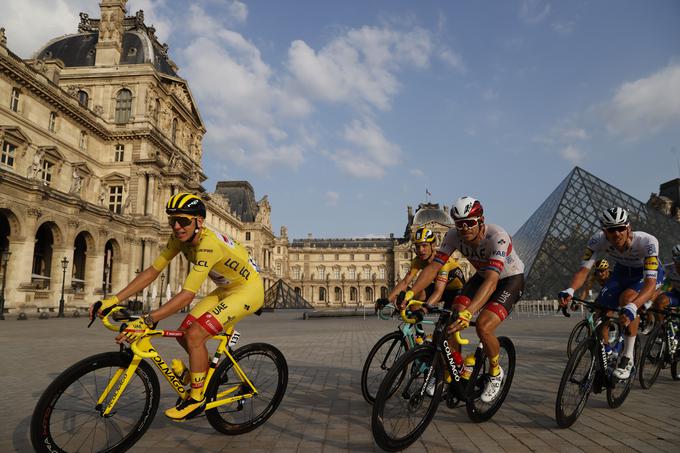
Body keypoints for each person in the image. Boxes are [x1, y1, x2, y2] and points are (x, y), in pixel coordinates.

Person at [90, 193, 264, 421]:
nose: (177, 227)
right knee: (184, 334)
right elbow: (153, 271)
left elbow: (186, 296)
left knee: (194, 335)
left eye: (183, 221)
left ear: (198, 222)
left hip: (247, 291)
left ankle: (197, 398)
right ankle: (204, 375)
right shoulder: (178, 239)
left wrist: (148, 319)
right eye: (173, 221)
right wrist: (113, 300)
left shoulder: (208, 245)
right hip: (225, 289)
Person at [402, 197, 524, 403]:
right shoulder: (452, 236)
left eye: (470, 222)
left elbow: (493, 280)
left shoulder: (498, 237)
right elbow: (433, 268)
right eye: (460, 224)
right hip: (483, 275)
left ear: (481, 221)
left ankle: (495, 372)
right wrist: (410, 293)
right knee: (452, 315)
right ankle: (455, 367)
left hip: (509, 280)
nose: (465, 228)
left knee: (483, 326)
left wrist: (470, 312)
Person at [559, 207, 663, 380]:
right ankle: (607, 351)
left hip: (645, 273)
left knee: (627, 299)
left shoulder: (647, 242)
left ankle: (628, 357)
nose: (617, 234)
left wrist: (632, 306)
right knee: (599, 312)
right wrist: (570, 289)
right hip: (622, 272)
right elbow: (583, 271)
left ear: (628, 227)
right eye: (611, 230)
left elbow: (650, 284)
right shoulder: (596, 241)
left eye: (621, 228)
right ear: (604, 231)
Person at [377, 226, 465, 311]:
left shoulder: (443, 261)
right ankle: (414, 324)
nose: (421, 250)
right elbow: (405, 282)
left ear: (433, 245)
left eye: (424, 245)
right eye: (418, 246)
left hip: (457, 291)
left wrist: (423, 311)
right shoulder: (418, 260)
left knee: (450, 321)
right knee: (416, 296)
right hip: (439, 288)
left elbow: (438, 291)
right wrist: (387, 300)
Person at [647, 244, 680, 327]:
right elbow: (656, 284)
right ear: (674, 260)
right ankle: (661, 328)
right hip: (677, 294)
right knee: (659, 301)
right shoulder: (668, 268)